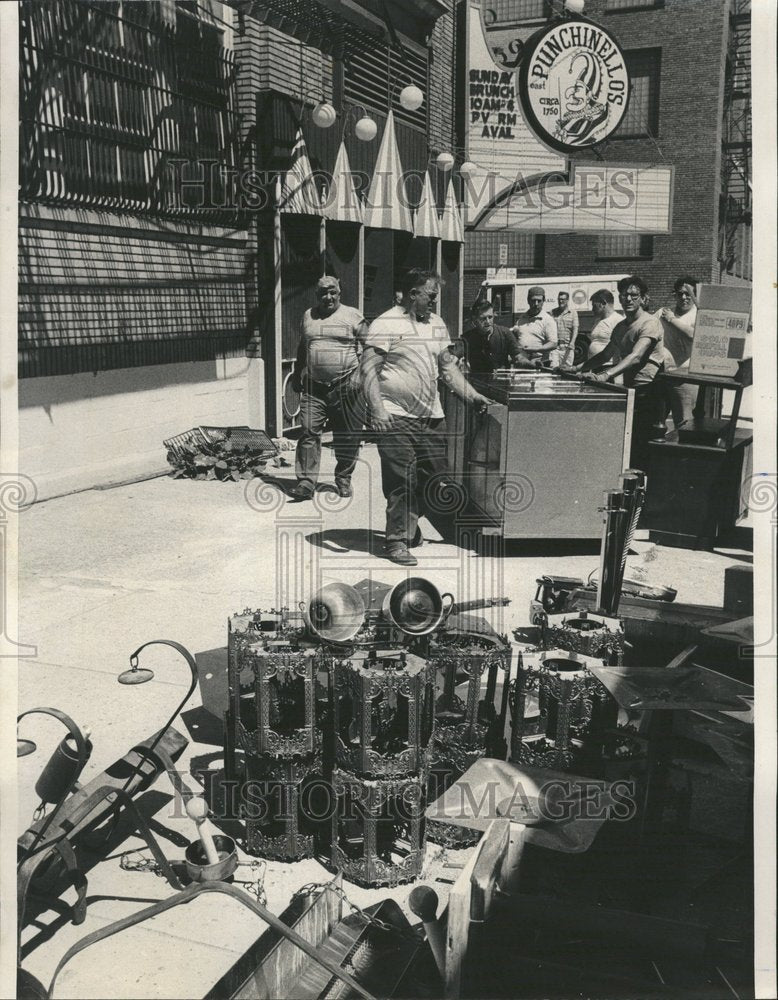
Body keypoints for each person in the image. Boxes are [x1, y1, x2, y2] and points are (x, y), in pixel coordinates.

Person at [361, 268, 493, 566]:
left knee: (436, 479)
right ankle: (396, 540)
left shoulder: (436, 324)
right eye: (431, 295)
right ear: (413, 294)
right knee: (401, 480)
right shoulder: (387, 323)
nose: (435, 301)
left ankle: (408, 524)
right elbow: (368, 368)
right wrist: (377, 409)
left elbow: (447, 368)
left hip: (431, 415)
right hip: (395, 415)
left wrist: (471, 396)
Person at [289, 275, 367, 501]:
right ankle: (305, 482)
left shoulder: (352, 315)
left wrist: (360, 376)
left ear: (339, 293)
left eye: (332, 292)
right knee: (308, 432)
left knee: (348, 436)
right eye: (323, 293)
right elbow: (304, 346)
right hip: (315, 388)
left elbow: (371, 346)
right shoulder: (308, 316)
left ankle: (343, 478)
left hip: (347, 386)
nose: (328, 297)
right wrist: (297, 372)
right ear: (317, 295)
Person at [577, 275, 666, 468]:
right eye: (624, 295)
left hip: (650, 392)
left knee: (644, 447)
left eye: (634, 295)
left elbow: (635, 356)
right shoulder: (620, 327)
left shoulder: (650, 323)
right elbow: (605, 355)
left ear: (643, 299)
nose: (628, 299)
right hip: (631, 391)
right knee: (630, 445)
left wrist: (606, 375)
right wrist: (577, 368)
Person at [655, 275, 699, 429]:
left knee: (683, 421)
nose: (684, 297)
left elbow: (695, 336)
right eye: (680, 294)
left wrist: (672, 320)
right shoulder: (664, 312)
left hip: (685, 376)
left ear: (695, 295)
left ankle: (685, 452)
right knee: (657, 421)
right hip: (662, 373)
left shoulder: (698, 314)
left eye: (688, 294)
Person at [454, 299, 533, 374]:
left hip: (502, 384)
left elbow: (518, 358)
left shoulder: (505, 333)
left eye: (490, 317)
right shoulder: (467, 338)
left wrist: (531, 363)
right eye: (483, 318)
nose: (487, 322)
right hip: (478, 384)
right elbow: (453, 359)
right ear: (475, 320)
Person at [511, 286, 558, 367]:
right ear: (528, 301)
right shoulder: (522, 319)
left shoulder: (548, 320)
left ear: (543, 301)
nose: (536, 304)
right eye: (533, 300)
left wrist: (536, 349)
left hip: (539, 363)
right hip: (522, 363)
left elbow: (553, 343)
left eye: (539, 301)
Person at [550, 291, 579, 367]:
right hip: (555, 348)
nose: (560, 301)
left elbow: (575, 329)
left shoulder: (573, 313)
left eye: (563, 299)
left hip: (567, 348)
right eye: (559, 299)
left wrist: (572, 343)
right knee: (553, 369)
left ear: (567, 300)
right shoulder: (552, 312)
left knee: (567, 371)